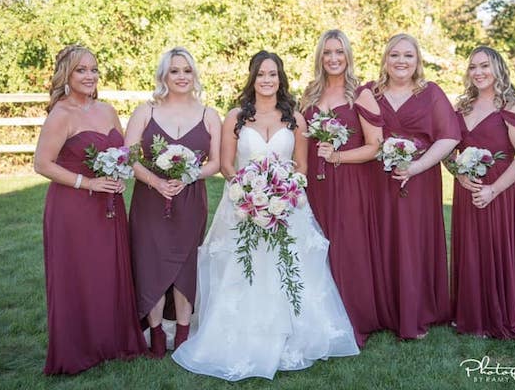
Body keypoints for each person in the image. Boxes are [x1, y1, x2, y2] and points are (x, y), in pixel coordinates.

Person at [172, 50, 359, 381]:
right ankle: (241, 334)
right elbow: (227, 165)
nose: (267, 80)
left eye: (273, 74)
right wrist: (248, 192)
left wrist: (283, 192)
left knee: (289, 268)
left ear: (280, 78)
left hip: (288, 206)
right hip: (243, 206)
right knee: (244, 269)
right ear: (252, 78)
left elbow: (301, 166)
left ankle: (291, 334)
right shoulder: (236, 117)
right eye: (261, 74)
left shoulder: (295, 119)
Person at [33, 45, 147, 374]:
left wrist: (120, 173)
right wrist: (88, 183)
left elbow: (122, 152)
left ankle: (111, 342)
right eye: (81, 70)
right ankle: (78, 348)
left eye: (94, 69)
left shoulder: (108, 110)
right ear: (66, 75)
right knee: (79, 276)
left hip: (109, 206)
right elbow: (42, 164)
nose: (89, 76)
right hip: (73, 208)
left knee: (107, 273)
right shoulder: (61, 114)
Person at [362, 33, 461, 339]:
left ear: (417, 61)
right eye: (394, 55)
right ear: (385, 59)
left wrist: (416, 167)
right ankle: (385, 310)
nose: (401, 61)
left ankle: (417, 311)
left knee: (413, 242)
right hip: (378, 181)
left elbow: (450, 136)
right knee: (383, 239)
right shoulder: (370, 92)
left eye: (408, 55)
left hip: (420, 180)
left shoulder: (430, 93)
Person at [124, 47, 221, 358]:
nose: (181, 76)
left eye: (187, 70)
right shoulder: (145, 111)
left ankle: (181, 334)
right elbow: (129, 157)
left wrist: (190, 175)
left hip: (190, 201)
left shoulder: (209, 115)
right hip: (150, 201)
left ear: (195, 75)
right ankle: (154, 334)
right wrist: (156, 182)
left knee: (185, 266)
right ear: (164, 75)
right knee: (149, 263)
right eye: (175, 70)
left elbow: (217, 162)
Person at [300, 29, 383, 347]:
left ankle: (353, 316)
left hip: (348, 181)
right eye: (327, 53)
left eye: (339, 52)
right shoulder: (309, 94)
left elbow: (375, 145)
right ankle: (319, 316)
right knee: (317, 244)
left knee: (347, 246)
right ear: (320, 57)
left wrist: (338, 156)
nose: (333, 58)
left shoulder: (361, 94)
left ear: (348, 56)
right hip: (315, 185)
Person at [451, 46, 515, 338]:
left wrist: (493, 190)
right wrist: (459, 173)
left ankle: (499, 314)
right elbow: (447, 147)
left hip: (499, 190)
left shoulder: (512, 105)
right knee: (471, 249)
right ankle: (471, 315)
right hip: (467, 189)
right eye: (473, 67)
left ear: (498, 68)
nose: (478, 72)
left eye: (484, 66)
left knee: (496, 246)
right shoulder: (462, 106)